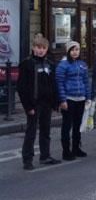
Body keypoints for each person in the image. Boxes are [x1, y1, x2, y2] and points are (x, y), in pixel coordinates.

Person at [18, 35, 60, 170]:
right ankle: (27, 159)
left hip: (47, 102)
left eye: (43, 48)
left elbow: (53, 83)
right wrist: (28, 106)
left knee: (45, 130)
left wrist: (55, 102)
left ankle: (45, 156)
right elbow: (22, 87)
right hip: (33, 104)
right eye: (38, 47)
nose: (40, 50)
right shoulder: (27, 64)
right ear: (33, 48)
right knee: (31, 132)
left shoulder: (50, 63)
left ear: (47, 49)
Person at [55, 40, 91, 161]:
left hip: (81, 98)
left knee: (78, 125)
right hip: (69, 99)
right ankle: (66, 151)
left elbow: (86, 81)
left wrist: (88, 97)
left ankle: (76, 148)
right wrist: (62, 100)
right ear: (68, 51)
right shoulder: (63, 65)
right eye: (73, 50)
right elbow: (59, 83)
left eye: (77, 50)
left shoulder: (82, 64)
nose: (75, 52)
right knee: (67, 125)